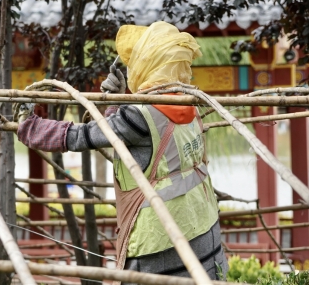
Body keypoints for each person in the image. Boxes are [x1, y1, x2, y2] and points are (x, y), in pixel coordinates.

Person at [16, 21, 227, 282]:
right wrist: (118, 98)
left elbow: (82, 136)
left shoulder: (141, 116)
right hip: (202, 225)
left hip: (161, 238)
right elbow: (126, 134)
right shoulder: (189, 105)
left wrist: (29, 125)